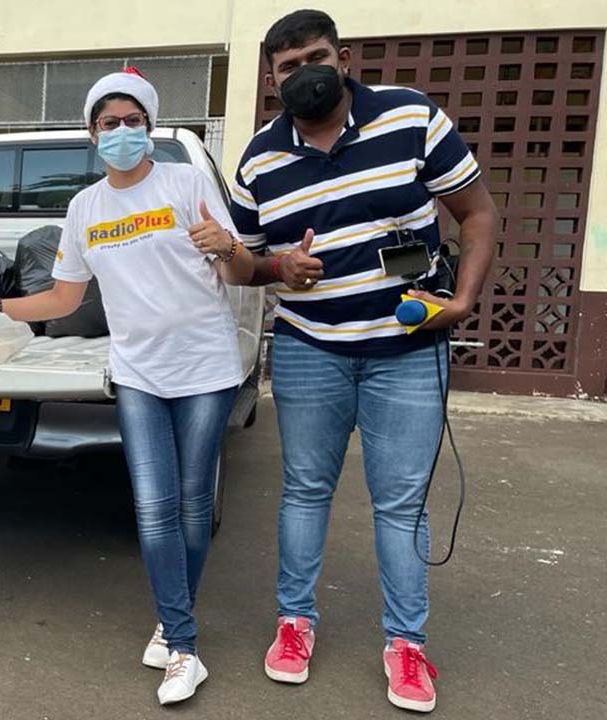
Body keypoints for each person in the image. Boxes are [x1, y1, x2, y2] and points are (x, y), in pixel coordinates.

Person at [0, 70, 256, 705]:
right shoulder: (85, 208)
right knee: (152, 507)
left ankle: (173, 627)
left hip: (204, 367)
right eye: (108, 123)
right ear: (92, 135)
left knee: (195, 506)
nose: (121, 133)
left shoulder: (188, 183)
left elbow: (245, 272)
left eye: (132, 121)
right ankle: (185, 644)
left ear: (150, 128)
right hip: (138, 371)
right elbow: (62, 298)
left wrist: (226, 247)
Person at [230, 10, 497, 713]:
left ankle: (406, 645)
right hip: (309, 349)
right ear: (272, 78)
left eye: (316, 58)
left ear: (344, 56)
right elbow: (240, 265)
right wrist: (278, 265)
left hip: (406, 353)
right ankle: (295, 624)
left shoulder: (411, 118)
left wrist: (463, 302)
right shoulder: (259, 158)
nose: (305, 75)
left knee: (401, 504)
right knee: (305, 493)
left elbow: (476, 213)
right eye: (289, 68)